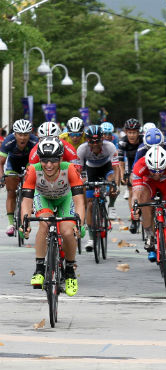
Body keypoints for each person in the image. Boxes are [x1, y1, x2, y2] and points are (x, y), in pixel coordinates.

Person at [20, 137, 85, 296]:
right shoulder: (33, 170)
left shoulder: (69, 169)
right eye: (44, 160)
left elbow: (79, 202)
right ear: (39, 159)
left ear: (61, 159)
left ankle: (70, 271)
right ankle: (39, 269)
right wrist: (25, 223)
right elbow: (26, 202)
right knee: (44, 223)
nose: (48, 165)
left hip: (65, 198)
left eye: (53, 161)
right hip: (44, 198)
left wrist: (80, 224)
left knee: (68, 231)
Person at [131, 145, 166, 279]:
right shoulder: (140, 164)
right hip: (148, 185)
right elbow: (136, 193)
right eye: (153, 171)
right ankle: (150, 234)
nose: (157, 174)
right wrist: (135, 207)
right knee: (143, 199)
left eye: (160, 171)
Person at [77, 125, 120, 249]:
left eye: (98, 141)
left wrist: (115, 185)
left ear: (103, 140)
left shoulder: (110, 147)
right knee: (90, 203)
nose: (95, 145)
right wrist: (81, 182)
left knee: (111, 181)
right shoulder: (82, 149)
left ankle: (108, 205)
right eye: (92, 142)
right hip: (91, 170)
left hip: (106, 168)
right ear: (87, 141)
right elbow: (78, 171)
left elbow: (116, 168)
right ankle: (91, 238)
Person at [0, 119, 38, 236]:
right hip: (13, 164)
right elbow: (0, 163)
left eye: (26, 135)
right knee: (11, 192)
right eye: (20, 135)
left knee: (30, 190)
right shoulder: (8, 141)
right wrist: (2, 177)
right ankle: (11, 224)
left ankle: (26, 217)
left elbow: (38, 163)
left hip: (28, 163)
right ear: (15, 134)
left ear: (30, 134)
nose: (23, 138)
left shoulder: (34, 141)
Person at [117, 118, 143, 228]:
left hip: (143, 165)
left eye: (134, 132)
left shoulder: (143, 141)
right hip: (131, 166)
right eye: (129, 132)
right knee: (132, 191)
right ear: (126, 132)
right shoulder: (123, 142)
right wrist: (123, 174)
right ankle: (134, 216)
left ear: (138, 133)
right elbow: (121, 161)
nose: (132, 135)